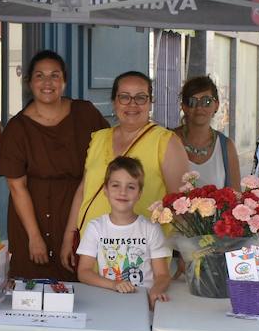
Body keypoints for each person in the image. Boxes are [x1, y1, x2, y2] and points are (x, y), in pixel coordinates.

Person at [61, 70, 190, 270]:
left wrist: (186, 251)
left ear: (150, 102)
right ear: (114, 102)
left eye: (140, 97)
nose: (132, 104)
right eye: (124, 97)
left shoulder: (166, 141)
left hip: (140, 258)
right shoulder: (98, 138)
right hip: (94, 254)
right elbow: (83, 190)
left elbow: (181, 203)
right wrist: (69, 235)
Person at [0, 50, 108, 281]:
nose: (47, 83)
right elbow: (17, 188)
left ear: (64, 81)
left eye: (54, 75)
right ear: (29, 82)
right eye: (40, 76)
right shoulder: (17, 128)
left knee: (81, 283)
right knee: (32, 287)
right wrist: (34, 236)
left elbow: (107, 156)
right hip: (32, 217)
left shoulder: (85, 113)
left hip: (78, 211)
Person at [76, 156, 171, 331]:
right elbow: (83, 272)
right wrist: (114, 284)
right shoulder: (96, 227)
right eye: (116, 185)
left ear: (139, 192)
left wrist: (156, 290)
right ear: (105, 190)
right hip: (110, 321)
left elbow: (162, 274)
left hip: (144, 320)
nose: (123, 192)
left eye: (131, 186)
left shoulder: (150, 229)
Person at [174, 76, 241, 189]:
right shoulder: (169, 141)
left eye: (206, 101)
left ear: (216, 105)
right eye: (192, 102)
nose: (199, 107)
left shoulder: (226, 147)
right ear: (184, 107)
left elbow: (236, 194)